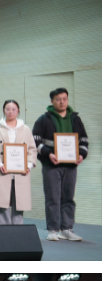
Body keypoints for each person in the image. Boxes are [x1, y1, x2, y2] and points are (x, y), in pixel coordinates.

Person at [32, 87, 89, 241]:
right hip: (51, 165)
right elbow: (35, 141)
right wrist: (48, 154)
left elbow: (84, 140)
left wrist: (81, 155)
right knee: (53, 197)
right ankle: (53, 229)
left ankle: (67, 229)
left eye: (64, 99)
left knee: (68, 197)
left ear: (67, 100)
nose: (62, 102)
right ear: (52, 101)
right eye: (58, 99)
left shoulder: (75, 119)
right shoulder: (43, 119)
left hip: (71, 166)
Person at [0, 99, 38, 225]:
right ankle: (4, 231)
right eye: (8, 109)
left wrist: (28, 165)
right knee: (2, 204)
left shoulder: (25, 129)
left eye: (14, 109)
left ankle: (17, 230)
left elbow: (32, 149)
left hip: (21, 172)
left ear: (18, 111)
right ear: (3, 110)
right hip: (2, 170)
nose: (11, 112)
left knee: (19, 203)